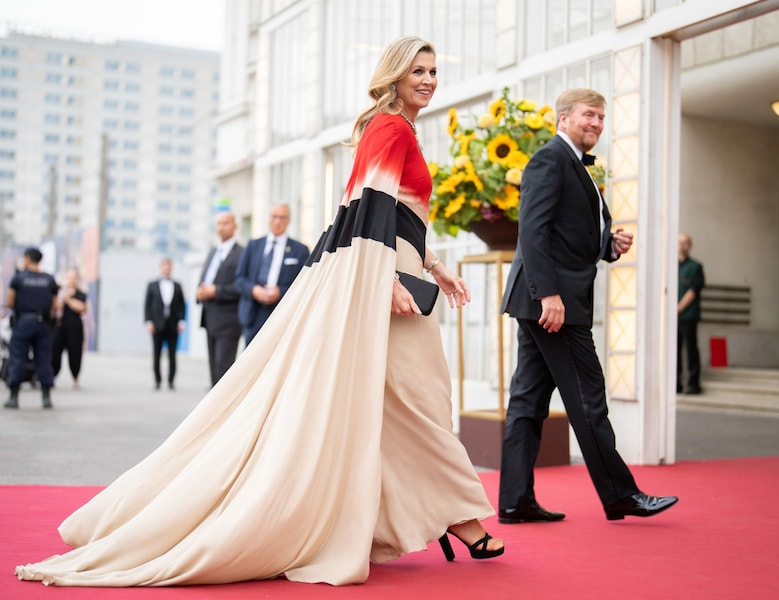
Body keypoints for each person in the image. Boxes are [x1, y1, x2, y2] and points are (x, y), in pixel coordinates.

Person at [14, 36, 502, 588]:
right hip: (382, 277)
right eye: (418, 70)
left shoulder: (394, 128)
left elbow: (393, 214)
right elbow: (369, 209)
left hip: (392, 270)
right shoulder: (390, 127)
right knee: (417, 397)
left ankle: (412, 516)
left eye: (434, 71)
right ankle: (460, 517)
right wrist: (388, 276)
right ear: (392, 75)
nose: (429, 79)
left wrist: (434, 266)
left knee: (396, 401)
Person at [497, 88, 678, 523]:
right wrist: (549, 295)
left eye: (601, 117)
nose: (597, 123)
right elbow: (533, 232)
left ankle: (514, 501)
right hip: (553, 304)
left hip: (546, 299)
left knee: (527, 401)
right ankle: (620, 495)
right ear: (563, 118)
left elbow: (565, 232)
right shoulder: (550, 158)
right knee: (588, 398)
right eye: (589, 116)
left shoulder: (580, 164)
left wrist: (607, 245)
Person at [234, 203, 310, 345]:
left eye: (282, 217)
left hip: (282, 314)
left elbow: (305, 285)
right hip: (253, 313)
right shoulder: (253, 245)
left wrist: (280, 291)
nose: (277, 221)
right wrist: (254, 290)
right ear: (268, 219)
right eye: (274, 217)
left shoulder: (300, 250)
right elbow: (239, 279)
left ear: (288, 221)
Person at [3, 247, 58, 409]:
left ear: (27, 259)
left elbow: (10, 302)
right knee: (44, 360)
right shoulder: (49, 279)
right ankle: (46, 397)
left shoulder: (18, 278)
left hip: (23, 323)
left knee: (18, 358)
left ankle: (14, 398)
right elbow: (55, 305)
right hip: (43, 323)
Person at [196, 212, 243, 386]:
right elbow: (206, 278)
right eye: (218, 224)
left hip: (229, 321)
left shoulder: (241, 254)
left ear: (235, 226)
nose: (221, 227)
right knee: (213, 371)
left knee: (224, 371)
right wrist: (199, 292)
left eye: (225, 223)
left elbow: (240, 285)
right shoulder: (213, 251)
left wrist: (216, 291)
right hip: (210, 318)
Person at [143, 258, 186, 390]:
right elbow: (147, 305)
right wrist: (148, 321)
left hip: (173, 325)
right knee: (157, 354)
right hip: (157, 325)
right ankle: (157, 380)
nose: (166, 268)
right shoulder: (152, 285)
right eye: (164, 266)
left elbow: (182, 305)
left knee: (172, 354)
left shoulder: (178, 285)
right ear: (161, 267)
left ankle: (171, 381)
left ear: (171, 268)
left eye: (169, 266)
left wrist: (182, 321)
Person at [677, 233, 705, 394]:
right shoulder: (672, 266)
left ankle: (693, 384)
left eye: (686, 243)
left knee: (691, 349)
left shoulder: (696, 267)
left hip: (688, 316)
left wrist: (678, 308)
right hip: (673, 317)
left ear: (690, 246)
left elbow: (694, 290)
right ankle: (676, 383)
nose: (682, 246)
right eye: (680, 243)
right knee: (674, 350)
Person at [51, 267, 87, 389]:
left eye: (74, 277)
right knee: (55, 352)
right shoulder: (59, 291)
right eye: (70, 277)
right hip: (60, 326)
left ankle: (75, 378)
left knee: (75, 353)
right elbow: (56, 306)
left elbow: (82, 307)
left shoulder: (81, 293)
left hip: (75, 326)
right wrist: (63, 297)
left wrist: (69, 299)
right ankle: (52, 377)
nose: (72, 280)